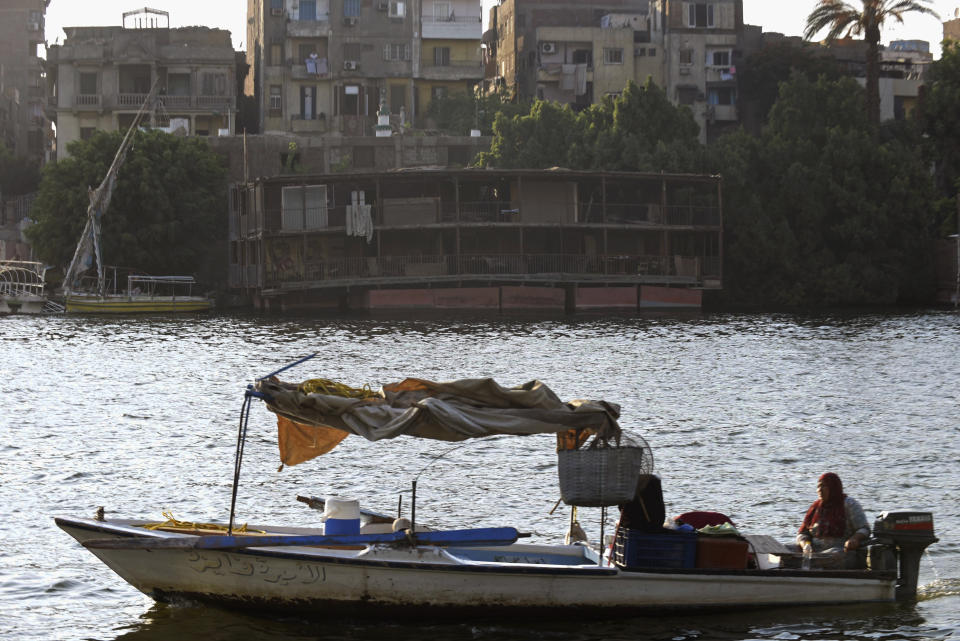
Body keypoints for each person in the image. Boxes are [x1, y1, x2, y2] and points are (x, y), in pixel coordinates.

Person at [796, 472, 870, 569]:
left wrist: (855, 539)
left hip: (841, 551)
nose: (820, 490)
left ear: (833, 488)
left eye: (824, 486)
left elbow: (865, 529)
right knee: (784, 550)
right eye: (818, 487)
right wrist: (805, 545)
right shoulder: (815, 507)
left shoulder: (849, 504)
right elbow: (802, 533)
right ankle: (801, 562)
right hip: (814, 551)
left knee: (834, 555)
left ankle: (800, 563)